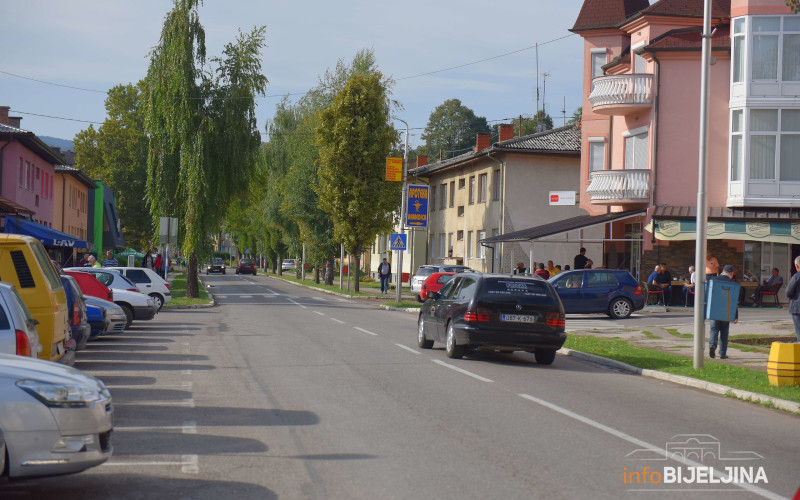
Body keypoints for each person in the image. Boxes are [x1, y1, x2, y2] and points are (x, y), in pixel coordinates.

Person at [708, 264, 739, 359]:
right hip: (726, 311)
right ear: (731, 273)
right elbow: (734, 301)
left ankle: (712, 345)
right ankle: (722, 353)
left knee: (714, 329)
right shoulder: (732, 283)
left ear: (723, 271)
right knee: (724, 332)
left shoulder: (713, 280)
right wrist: (735, 315)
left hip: (714, 310)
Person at [784, 256, 800, 342]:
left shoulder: (796, 276)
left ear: (797, 266)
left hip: (797, 308)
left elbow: (788, 292)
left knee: (799, 331)